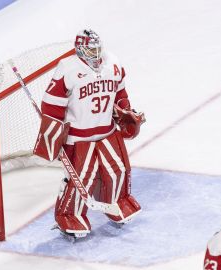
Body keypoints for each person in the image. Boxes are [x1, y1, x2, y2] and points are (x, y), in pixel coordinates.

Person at [33, 29, 145, 239]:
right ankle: (69, 215)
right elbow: (51, 104)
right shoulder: (68, 69)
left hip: (107, 130)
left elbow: (120, 93)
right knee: (82, 178)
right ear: (80, 49)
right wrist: (54, 134)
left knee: (118, 170)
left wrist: (126, 110)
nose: (95, 53)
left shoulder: (113, 62)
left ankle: (117, 202)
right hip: (79, 136)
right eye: (90, 49)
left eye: (96, 48)